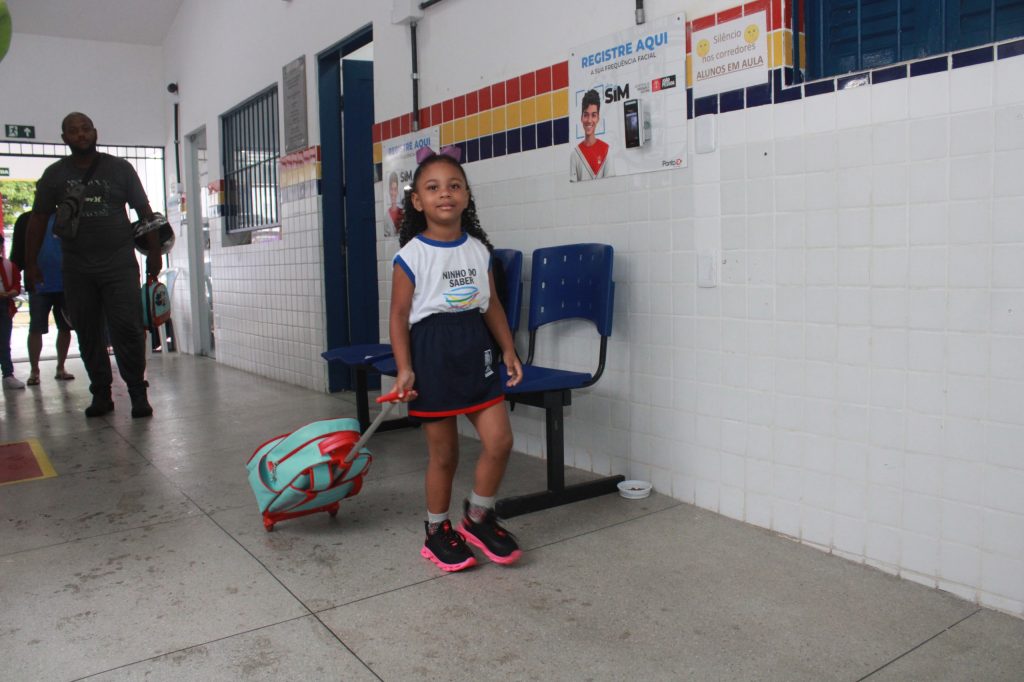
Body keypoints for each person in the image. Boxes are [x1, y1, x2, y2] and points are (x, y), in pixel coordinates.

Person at [391, 144, 524, 572]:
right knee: (444, 454)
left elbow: (492, 306)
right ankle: (436, 530)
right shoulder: (410, 256)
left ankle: (478, 517)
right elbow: (398, 316)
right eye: (433, 188)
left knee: (500, 441)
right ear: (417, 201)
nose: (444, 193)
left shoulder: (479, 250)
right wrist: (404, 368)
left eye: (454, 186)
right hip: (433, 354)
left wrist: (508, 348)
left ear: (466, 196)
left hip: (475, 349)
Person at [24, 112, 161, 418]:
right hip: (77, 268)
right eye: (74, 131)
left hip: (119, 265)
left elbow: (144, 211)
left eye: (86, 129)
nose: (81, 134)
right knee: (87, 332)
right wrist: (30, 263)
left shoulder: (120, 169)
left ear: (95, 132)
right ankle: (101, 393)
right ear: (64, 138)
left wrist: (154, 252)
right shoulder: (54, 175)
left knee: (127, 329)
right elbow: (38, 219)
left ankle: (138, 392)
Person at [11, 211, 75, 385]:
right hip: (38, 285)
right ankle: (34, 371)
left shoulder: (65, 217)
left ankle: (61, 367)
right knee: (36, 328)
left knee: (65, 328)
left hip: (64, 283)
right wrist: (13, 281)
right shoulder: (26, 220)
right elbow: (17, 252)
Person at [569, 89, 614, 182]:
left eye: (593, 115)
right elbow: (572, 189)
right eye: (586, 115)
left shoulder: (606, 150)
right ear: (581, 117)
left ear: (598, 118)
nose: (589, 120)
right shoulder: (575, 154)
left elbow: (611, 185)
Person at [1, 232, 26, 389]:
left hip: (3, 305)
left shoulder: (9, 266)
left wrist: (11, 293)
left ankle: (8, 374)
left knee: (4, 341)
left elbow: (16, 285)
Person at [386, 170, 404, 234]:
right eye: (391, 189)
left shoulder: (402, 213)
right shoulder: (386, 216)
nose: (393, 193)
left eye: (395, 189)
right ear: (389, 190)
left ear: (397, 191)